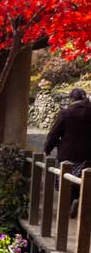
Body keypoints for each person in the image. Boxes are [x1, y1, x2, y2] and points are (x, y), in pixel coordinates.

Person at [44, 87, 91, 215]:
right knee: (83, 179)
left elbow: (54, 133)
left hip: (67, 154)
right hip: (87, 155)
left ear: (72, 99)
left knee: (65, 180)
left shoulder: (66, 113)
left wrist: (47, 148)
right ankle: (78, 201)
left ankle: (68, 207)